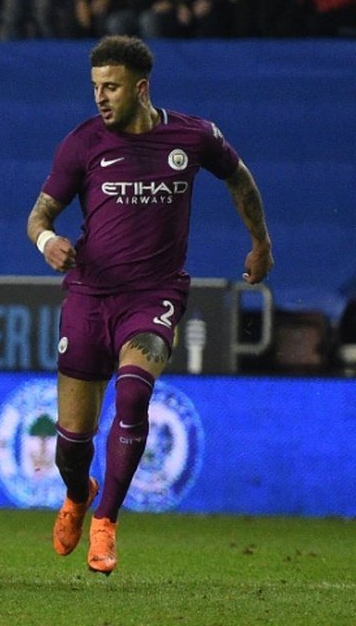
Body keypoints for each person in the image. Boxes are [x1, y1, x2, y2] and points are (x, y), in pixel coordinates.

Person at [25, 35, 273, 575]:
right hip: (90, 295)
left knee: (134, 396)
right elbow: (38, 217)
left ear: (141, 88)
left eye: (110, 87)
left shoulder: (193, 135)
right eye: (95, 87)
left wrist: (260, 241)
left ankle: (106, 522)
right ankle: (78, 494)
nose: (100, 98)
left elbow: (239, 177)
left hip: (154, 295)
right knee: (71, 443)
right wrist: (50, 243)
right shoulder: (82, 144)